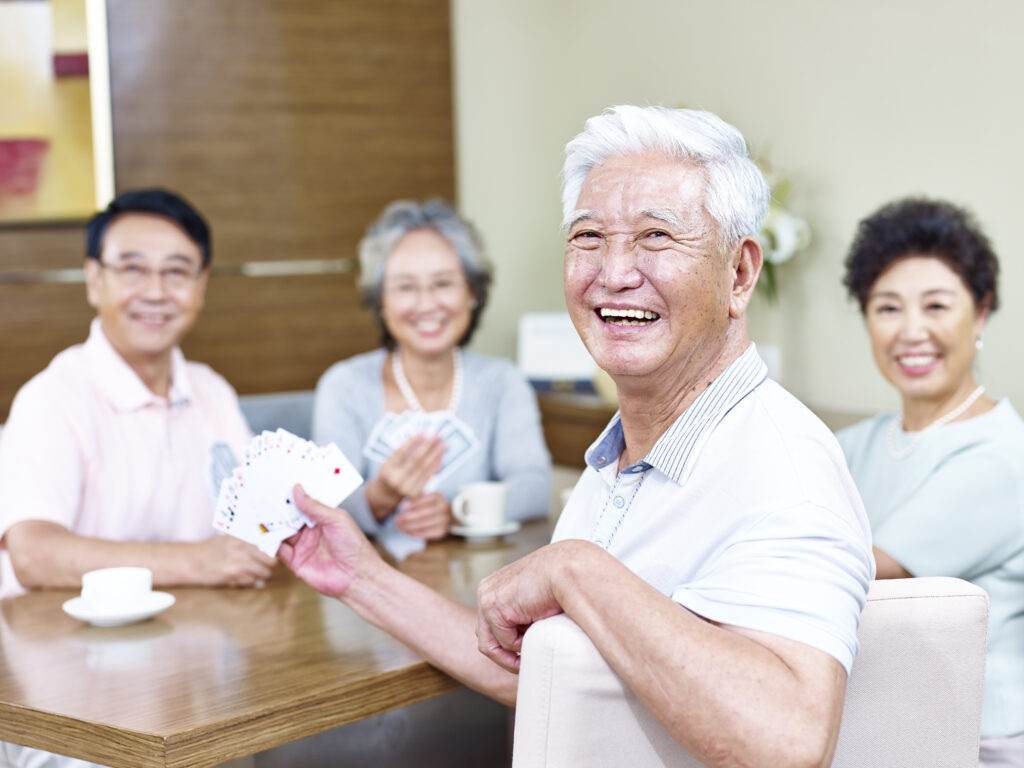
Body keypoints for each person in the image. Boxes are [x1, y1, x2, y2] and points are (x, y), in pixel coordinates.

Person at [280, 105, 874, 768]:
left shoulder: (781, 463)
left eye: (655, 237)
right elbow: (553, 673)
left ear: (738, 274)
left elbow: (787, 740)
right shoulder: (621, 455)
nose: (613, 272)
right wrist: (361, 577)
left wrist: (574, 569)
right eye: (588, 237)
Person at [0, 188, 276, 600]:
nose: (155, 293)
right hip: (66, 641)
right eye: (133, 269)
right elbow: (34, 554)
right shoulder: (50, 399)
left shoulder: (211, 389)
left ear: (201, 285)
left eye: (177, 272)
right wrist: (199, 562)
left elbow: (260, 514)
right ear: (95, 280)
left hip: (197, 631)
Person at [837, 198, 1024, 767]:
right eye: (888, 308)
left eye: (937, 305)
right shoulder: (856, 442)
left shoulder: (1004, 457)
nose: (912, 332)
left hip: (972, 741)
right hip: (867, 722)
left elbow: (858, 569)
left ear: (982, 312)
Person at [312, 198, 551, 541]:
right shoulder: (344, 385)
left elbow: (535, 488)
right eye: (406, 287)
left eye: (443, 283)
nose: (426, 304)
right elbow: (324, 505)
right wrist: (381, 496)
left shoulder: (503, 382)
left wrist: (456, 513)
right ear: (381, 301)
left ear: (472, 292)